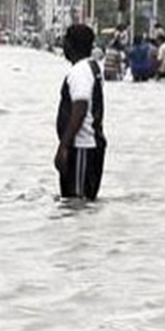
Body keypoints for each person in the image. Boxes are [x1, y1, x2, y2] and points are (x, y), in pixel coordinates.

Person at [54, 24, 106, 201]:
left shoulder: (80, 72)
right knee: (80, 205)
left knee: (77, 202)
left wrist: (64, 146)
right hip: (88, 145)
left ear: (71, 44)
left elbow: (80, 109)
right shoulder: (92, 67)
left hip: (82, 146)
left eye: (65, 42)